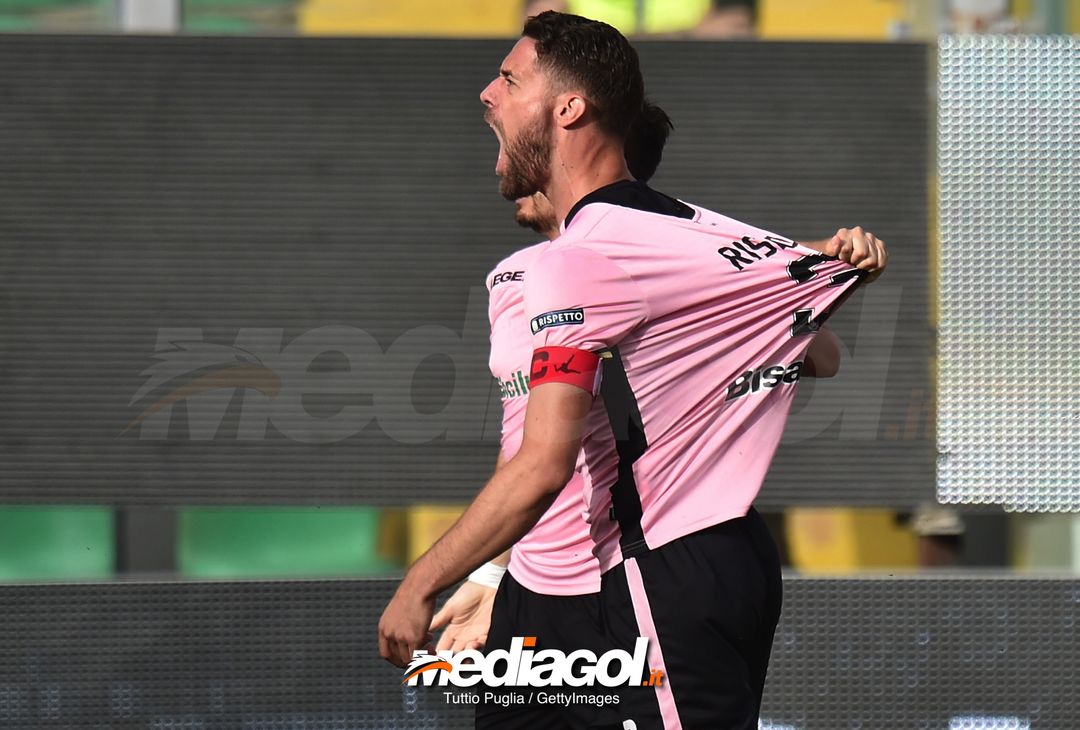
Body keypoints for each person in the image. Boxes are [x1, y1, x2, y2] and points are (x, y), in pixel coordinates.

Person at [380, 11, 887, 728]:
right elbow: (534, 447)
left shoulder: (583, 259)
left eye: (508, 78)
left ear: (568, 108)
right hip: (568, 584)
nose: (487, 94)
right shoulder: (559, 266)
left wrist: (421, 582)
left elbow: (543, 465)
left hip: (658, 572)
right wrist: (498, 571)